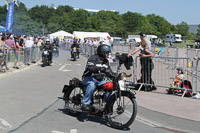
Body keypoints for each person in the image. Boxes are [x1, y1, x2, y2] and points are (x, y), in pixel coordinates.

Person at [81, 44, 116, 111]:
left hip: (99, 80)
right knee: (92, 85)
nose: (108, 54)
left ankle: (104, 103)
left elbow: (108, 71)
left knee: (109, 86)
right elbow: (90, 68)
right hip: (89, 78)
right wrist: (100, 68)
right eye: (107, 53)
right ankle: (85, 103)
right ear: (102, 52)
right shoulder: (93, 58)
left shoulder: (106, 61)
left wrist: (115, 75)